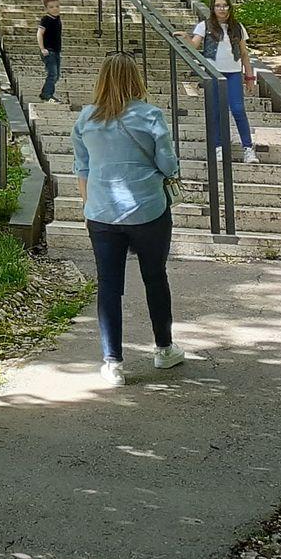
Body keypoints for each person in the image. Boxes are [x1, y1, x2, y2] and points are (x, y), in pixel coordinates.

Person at [73, 51, 185, 386]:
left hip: (102, 213)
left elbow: (82, 169)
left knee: (108, 285)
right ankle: (164, 349)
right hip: (147, 209)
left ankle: (113, 363)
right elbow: (168, 166)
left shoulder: (86, 120)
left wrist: (90, 205)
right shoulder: (150, 116)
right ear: (136, 79)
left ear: (101, 80)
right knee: (155, 277)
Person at [186, 0, 259, 163]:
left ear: (229, 7)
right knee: (216, 111)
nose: (222, 9)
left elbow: (244, 53)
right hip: (214, 73)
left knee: (238, 109)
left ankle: (248, 148)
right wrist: (185, 37)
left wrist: (249, 76)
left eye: (225, 5)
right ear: (213, 8)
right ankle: (218, 147)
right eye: (218, 5)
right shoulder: (204, 26)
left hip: (233, 73)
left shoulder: (237, 27)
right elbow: (194, 46)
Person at [36, 0, 63, 101]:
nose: (55, 9)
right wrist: (42, 48)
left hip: (56, 51)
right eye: (51, 7)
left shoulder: (57, 19)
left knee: (56, 75)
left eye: (57, 6)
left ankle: (45, 92)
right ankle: (47, 95)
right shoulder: (46, 19)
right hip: (48, 51)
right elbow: (39, 34)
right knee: (52, 73)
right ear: (46, 9)